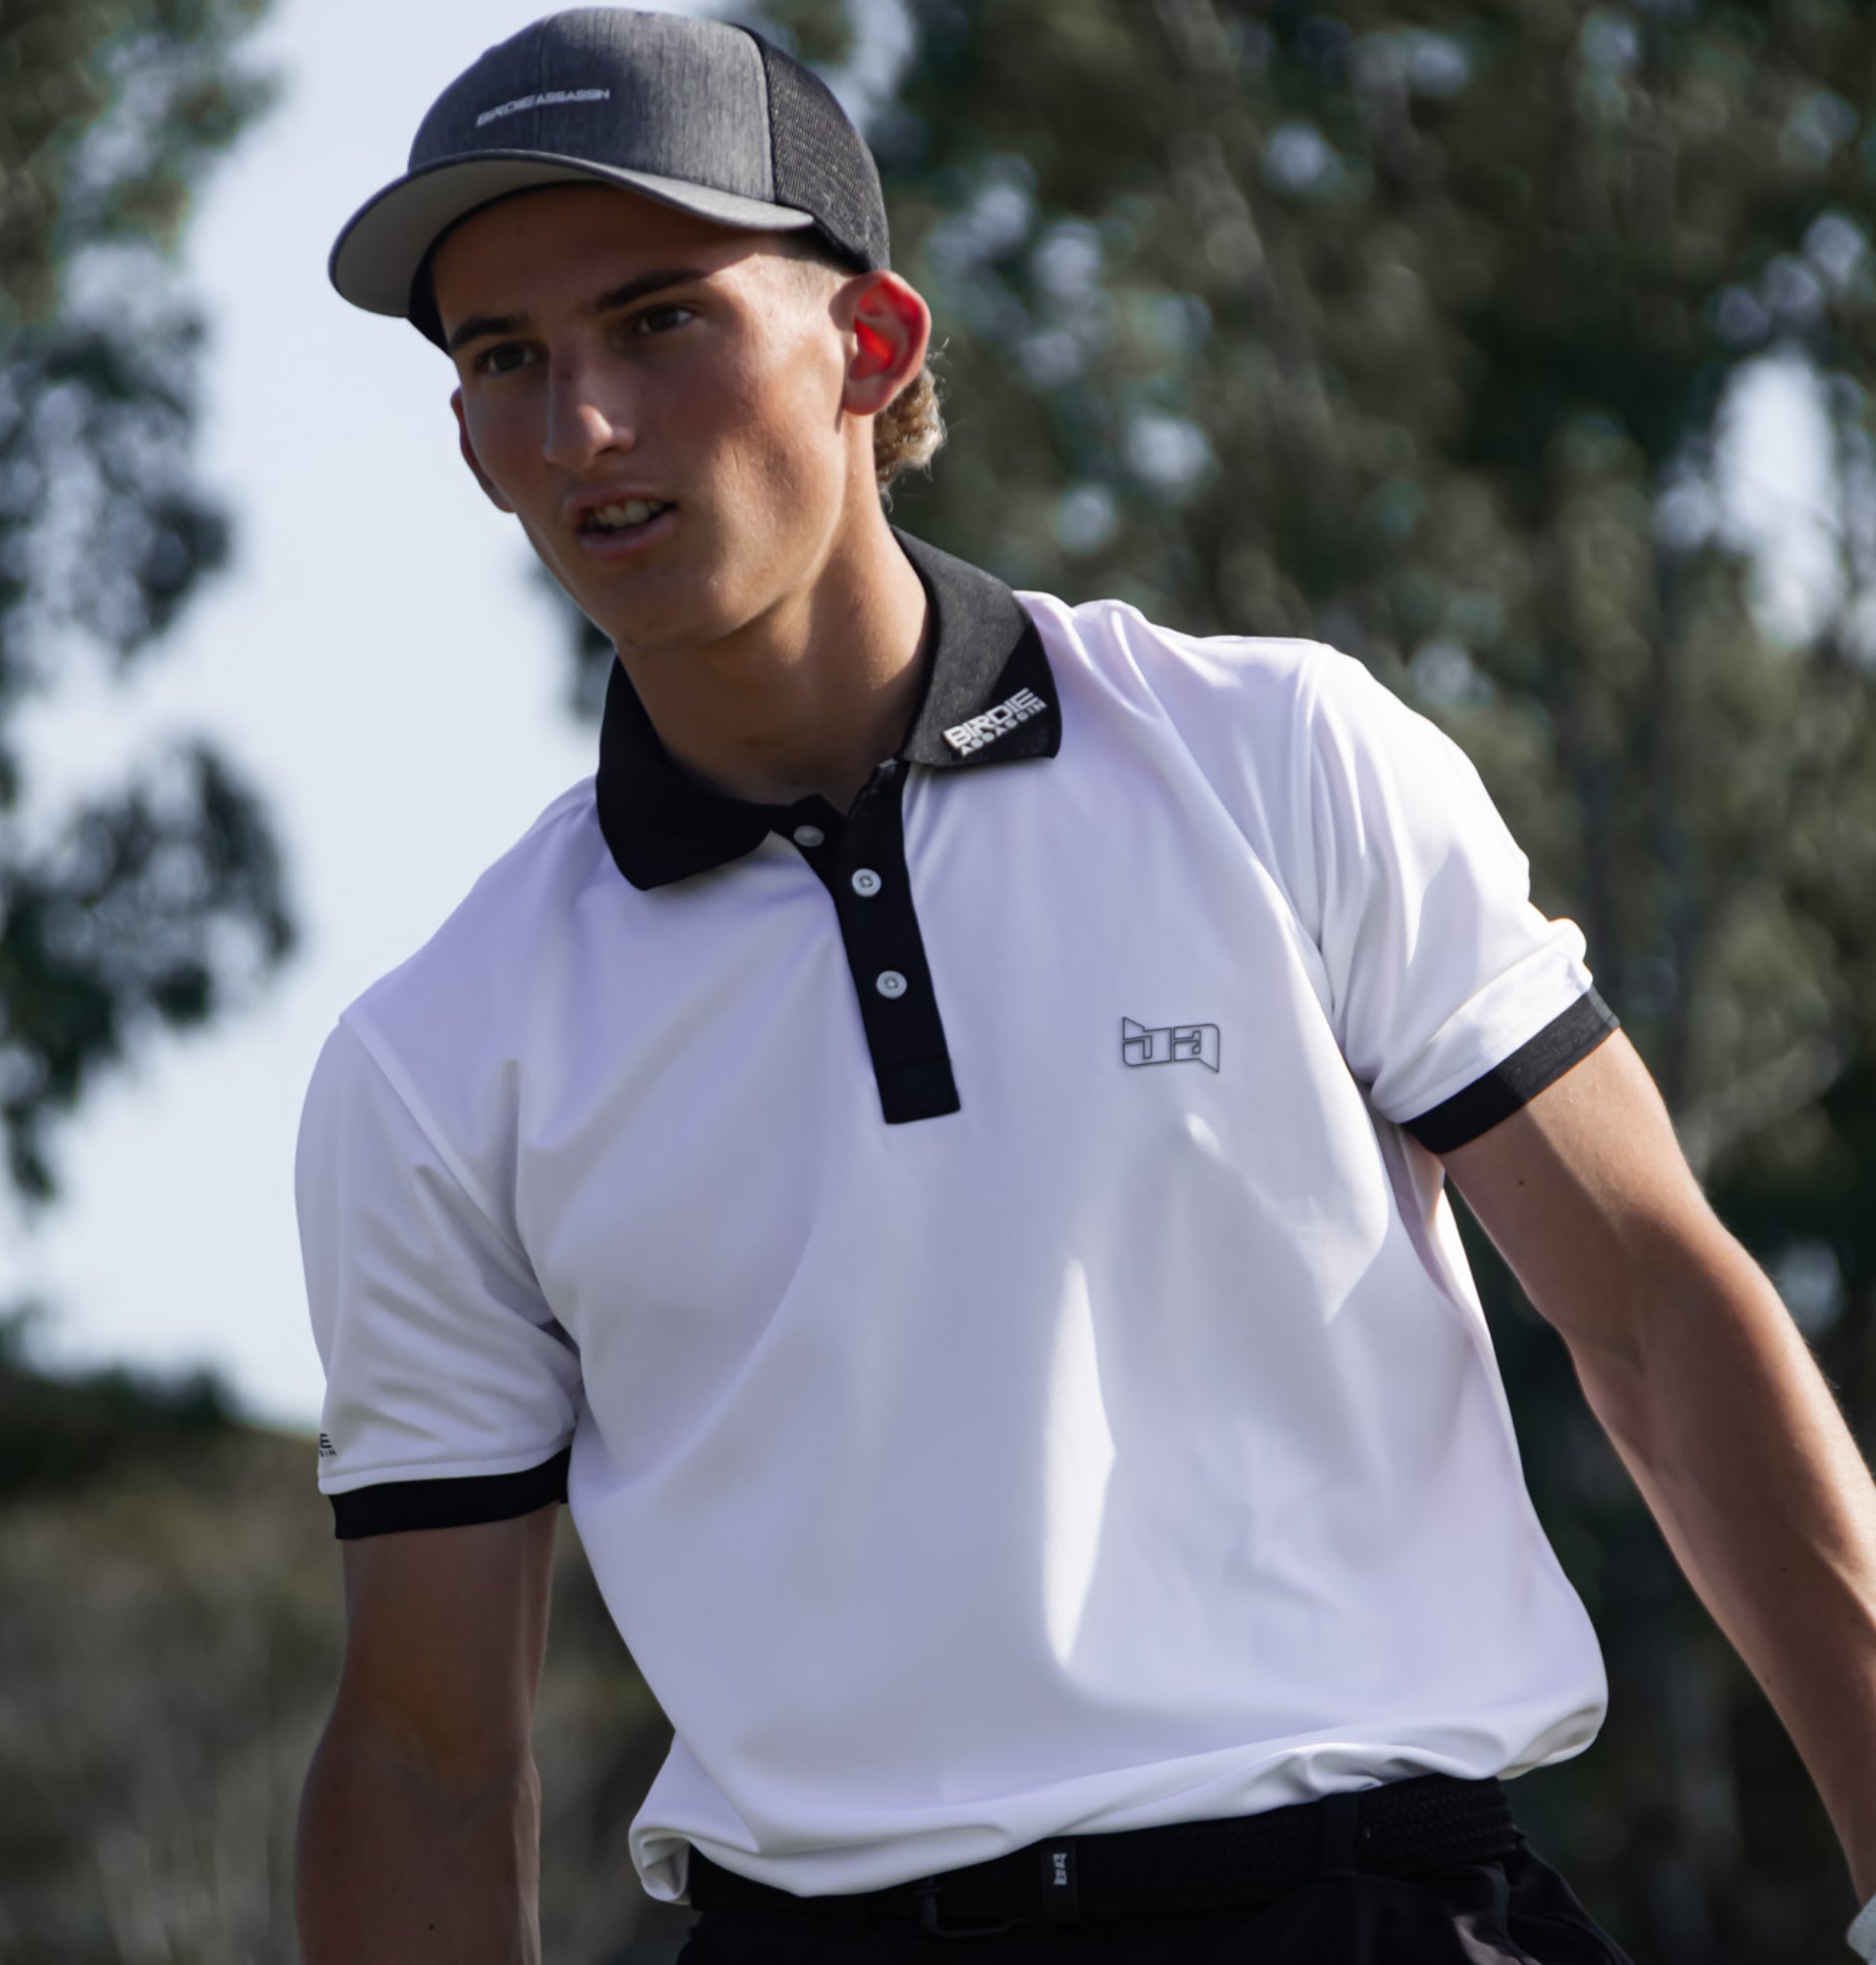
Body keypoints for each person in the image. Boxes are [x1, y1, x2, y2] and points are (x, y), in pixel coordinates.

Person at [291, 11, 1876, 1962]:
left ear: (870, 350)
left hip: (1378, 1911)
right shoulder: (436, 1057)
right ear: (462, 435)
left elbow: (1647, 1305)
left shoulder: (1281, 756)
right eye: (504, 361)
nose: (579, 423)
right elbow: (431, 1751)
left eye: (661, 321)